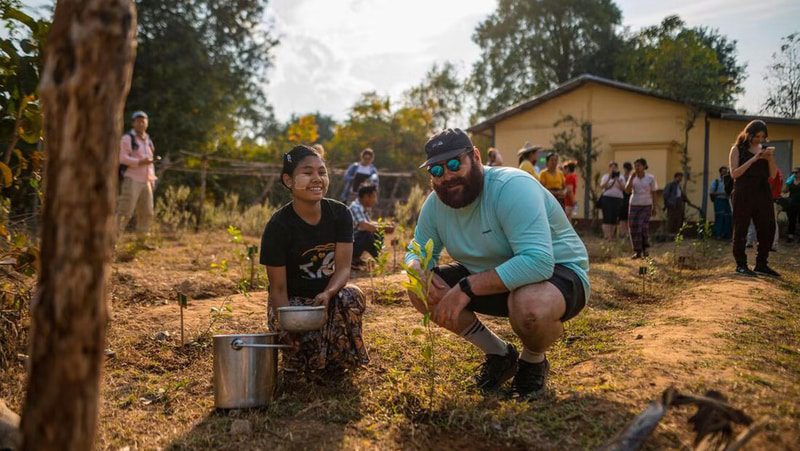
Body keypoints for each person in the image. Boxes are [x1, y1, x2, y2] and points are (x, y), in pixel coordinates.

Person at [405, 128, 589, 400]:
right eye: (436, 170)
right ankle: (500, 354)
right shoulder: (435, 204)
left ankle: (533, 361)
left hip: (556, 276)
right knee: (419, 288)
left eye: (455, 164)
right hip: (491, 279)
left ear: (476, 157)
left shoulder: (512, 187)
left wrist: (466, 288)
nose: (447, 175)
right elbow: (416, 250)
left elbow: (538, 263)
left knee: (528, 306)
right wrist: (416, 268)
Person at [260, 145, 369, 375]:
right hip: (293, 306)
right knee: (302, 368)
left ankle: (337, 358)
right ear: (288, 180)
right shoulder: (278, 226)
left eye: (322, 172)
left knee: (352, 295)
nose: (317, 178)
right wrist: (287, 325)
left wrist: (328, 294)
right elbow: (278, 289)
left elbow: (342, 270)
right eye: (308, 172)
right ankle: (300, 355)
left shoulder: (340, 214)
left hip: (326, 301)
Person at [729, 120, 780, 277]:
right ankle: (741, 264)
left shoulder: (763, 150)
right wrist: (754, 159)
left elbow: (772, 175)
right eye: (757, 136)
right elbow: (734, 174)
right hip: (743, 192)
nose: (759, 139)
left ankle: (761, 264)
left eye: (763, 136)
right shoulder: (737, 149)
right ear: (748, 134)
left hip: (762, 192)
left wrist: (769, 158)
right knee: (741, 228)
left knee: (768, 226)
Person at [117, 111, 157, 243]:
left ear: (147, 123)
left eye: (143, 121)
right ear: (133, 123)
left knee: (147, 212)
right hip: (132, 179)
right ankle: (112, 242)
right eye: (138, 121)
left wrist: (152, 179)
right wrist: (139, 162)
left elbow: (150, 163)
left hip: (146, 181)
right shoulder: (127, 138)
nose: (141, 123)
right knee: (125, 211)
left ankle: (141, 242)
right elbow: (122, 158)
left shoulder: (148, 140)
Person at [349, 184, 394, 269]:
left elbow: (370, 223)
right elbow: (365, 226)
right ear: (366, 197)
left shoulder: (362, 207)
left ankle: (355, 259)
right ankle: (379, 259)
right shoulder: (356, 207)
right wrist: (384, 228)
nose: (375, 200)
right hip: (347, 245)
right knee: (366, 234)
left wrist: (385, 225)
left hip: (353, 242)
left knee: (374, 233)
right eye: (374, 197)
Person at [625, 158, 657, 259]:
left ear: (644, 166)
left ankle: (645, 249)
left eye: (639, 165)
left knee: (642, 226)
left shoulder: (650, 178)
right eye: (635, 166)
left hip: (646, 205)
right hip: (634, 204)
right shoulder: (632, 177)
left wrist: (654, 206)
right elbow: (626, 190)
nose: (637, 168)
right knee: (633, 227)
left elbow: (654, 192)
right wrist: (631, 179)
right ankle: (637, 251)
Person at [598, 162, 625, 240]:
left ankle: (612, 236)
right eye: (611, 167)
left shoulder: (621, 177)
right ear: (609, 168)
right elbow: (602, 186)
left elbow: (624, 188)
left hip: (617, 199)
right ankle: (607, 236)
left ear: (617, 168)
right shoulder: (605, 176)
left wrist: (618, 180)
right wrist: (610, 178)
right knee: (607, 217)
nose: (613, 169)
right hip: (607, 198)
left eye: (615, 167)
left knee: (614, 217)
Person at [710, 166, 733, 239]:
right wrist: (722, 194)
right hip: (719, 201)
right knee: (719, 217)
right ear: (720, 172)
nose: (724, 173)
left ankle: (726, 235)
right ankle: (718, 235)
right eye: (723, 171)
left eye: (725, 171)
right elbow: (712, 192)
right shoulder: (716, 182)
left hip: (726, 201)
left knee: (728, 217)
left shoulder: (728, 181)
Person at [663, 172, 688, 238]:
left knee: (679, 219)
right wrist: (668, 203)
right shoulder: (670, 185)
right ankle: (669, 234)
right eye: (679, 177)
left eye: (681, 177)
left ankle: (677, 234)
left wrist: (687, 200)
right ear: (676, 177)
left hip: (679, 204)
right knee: (671, 219)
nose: (680, 179)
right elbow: (665, 195)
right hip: (672, 204)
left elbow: (681, 195)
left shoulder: (678, 186)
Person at [784, 167, 800, 243]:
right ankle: (790, 236)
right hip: (792, 203)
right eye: (793, 172)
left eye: (796, 172)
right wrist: (787, 183)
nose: (794, 174)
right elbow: (785, 191)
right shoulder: (791, 181)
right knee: (791, 220)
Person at [618, 162, 633, 238]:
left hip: (630, 197)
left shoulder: (632, 177)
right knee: (622, 216)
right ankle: (622, 233)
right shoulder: (621, 177)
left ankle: (627, 234)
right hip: (623, 197)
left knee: (628, 216)